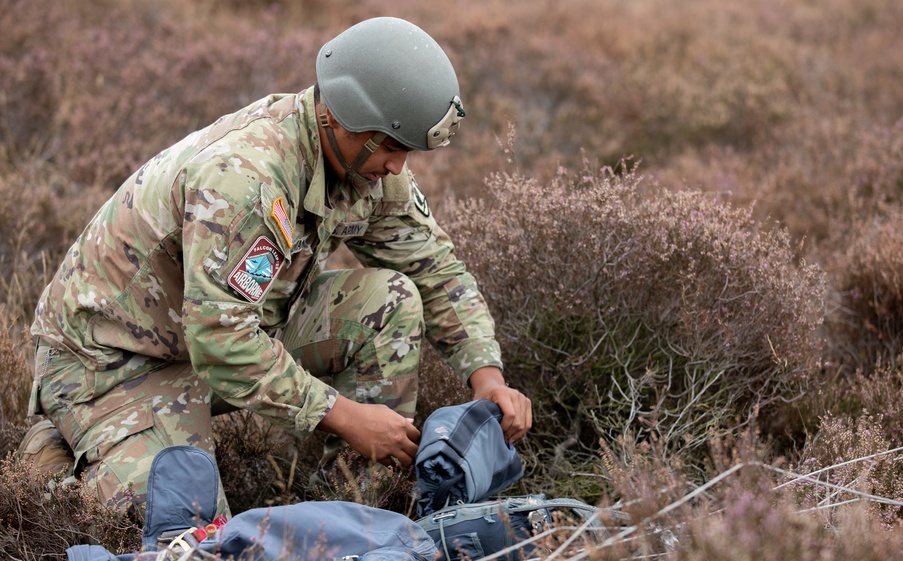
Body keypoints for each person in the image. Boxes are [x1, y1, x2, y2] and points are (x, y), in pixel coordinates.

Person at [19, 16, 532, 516]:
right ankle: (59, 461)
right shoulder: (246, 180)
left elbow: (434, 269)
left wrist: (486, 377)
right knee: (183, 535)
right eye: (392, 147)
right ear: (342, 116)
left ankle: (361, 522)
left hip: (228, 328)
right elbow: (220, 338)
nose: (398, 167)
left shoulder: (364, 166)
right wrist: (345, 416)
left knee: (389, 302)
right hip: (111, 362)